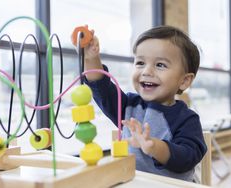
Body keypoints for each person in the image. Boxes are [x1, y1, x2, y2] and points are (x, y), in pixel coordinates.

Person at [82, 25, 207, 182]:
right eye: (140, 63)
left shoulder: (187, 119)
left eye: (160, 65)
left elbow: (188, 157)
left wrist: (155, 147)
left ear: (184, 81)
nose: (146, 71)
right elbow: (101, 87)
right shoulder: (128, 106)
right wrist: (91, 58)